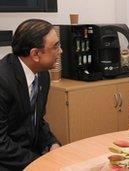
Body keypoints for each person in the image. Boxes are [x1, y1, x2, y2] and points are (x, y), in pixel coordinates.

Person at [0, 19, 62, 170]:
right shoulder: (3, 81)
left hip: (28, 155)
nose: (60, 51)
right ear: (35, 54)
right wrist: (39, 163)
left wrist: (52, 143)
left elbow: (36, 120)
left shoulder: (42, 76)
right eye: (55, 46)